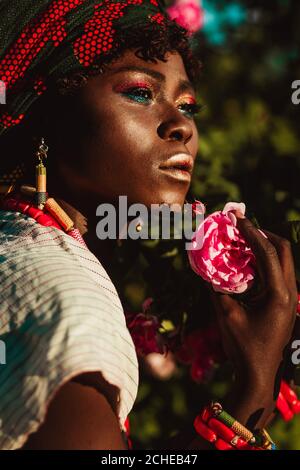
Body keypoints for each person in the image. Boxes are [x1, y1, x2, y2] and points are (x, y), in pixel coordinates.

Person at [0, 0, 298, 450]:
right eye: (141, 92)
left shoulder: (18, 245)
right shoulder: (64, 291)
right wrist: (255, 393)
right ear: (50, 118)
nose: (181, 124)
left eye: (188, 105)